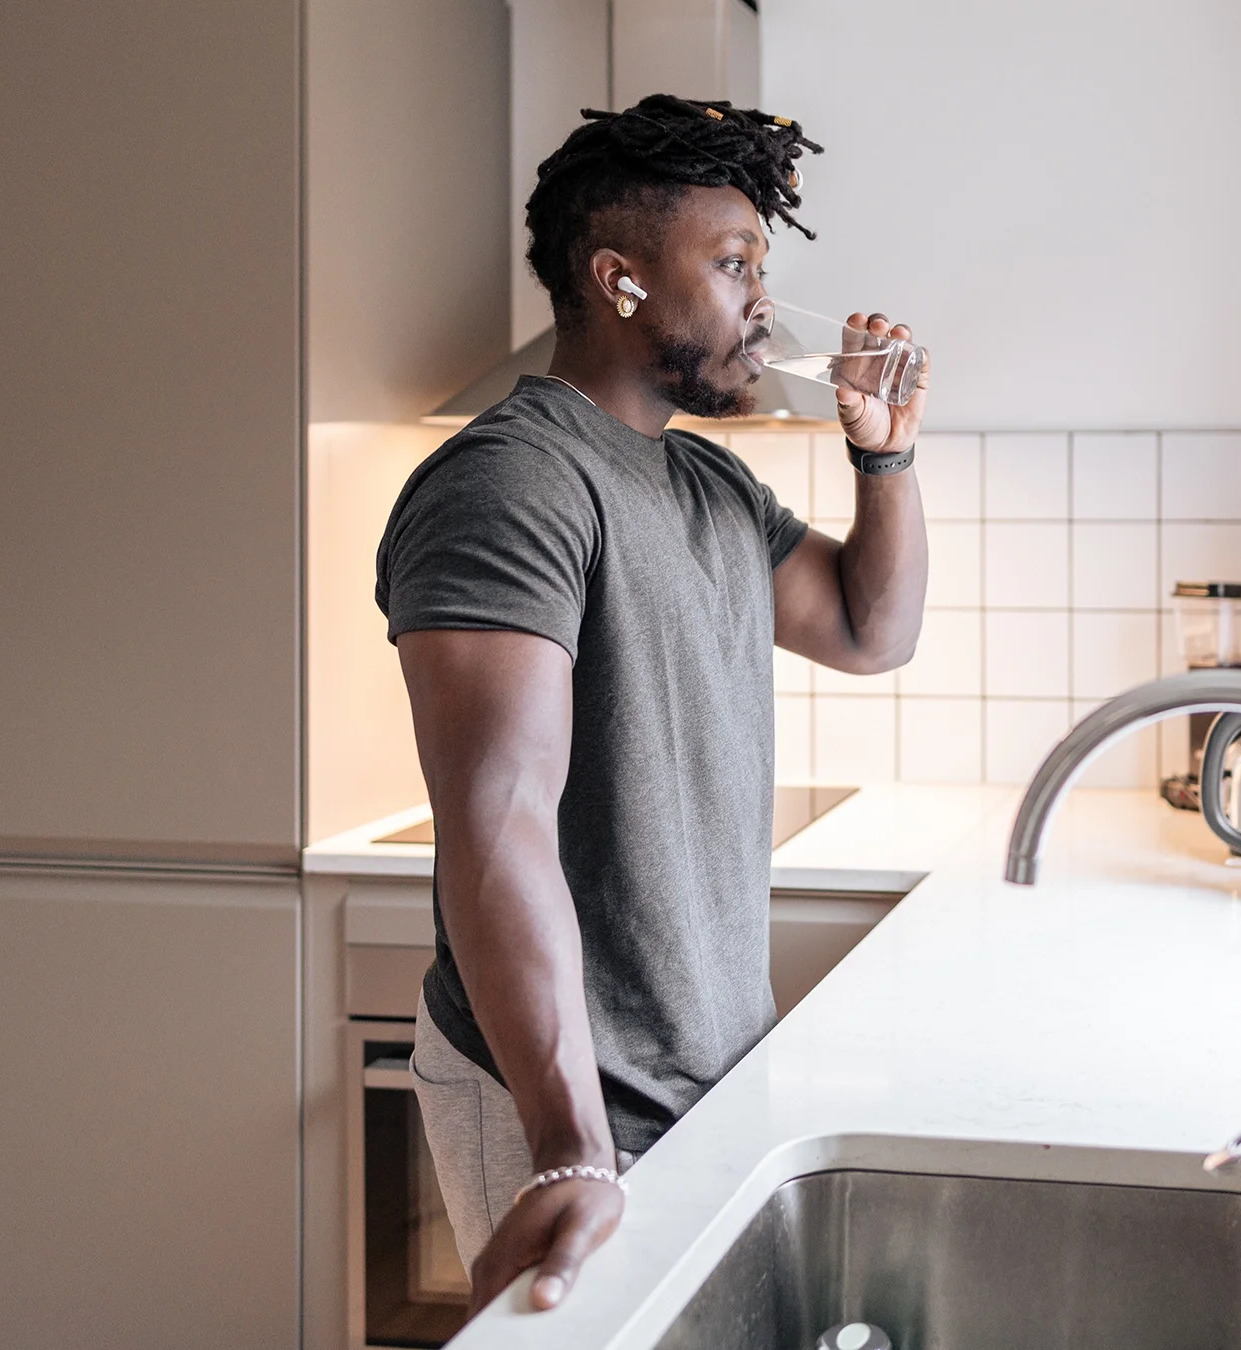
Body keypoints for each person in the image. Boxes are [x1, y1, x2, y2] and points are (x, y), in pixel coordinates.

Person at [375, 94, 929, 1314]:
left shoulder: (706, 483)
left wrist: (884, 457)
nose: (761, 303)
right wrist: (568, 1136)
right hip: (560, 1093)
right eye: (734, 266)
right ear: (619, 282)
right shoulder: (512, 484)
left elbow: (868, 629)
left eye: (761, 269)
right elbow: (497, 820)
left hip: (707, 1062)